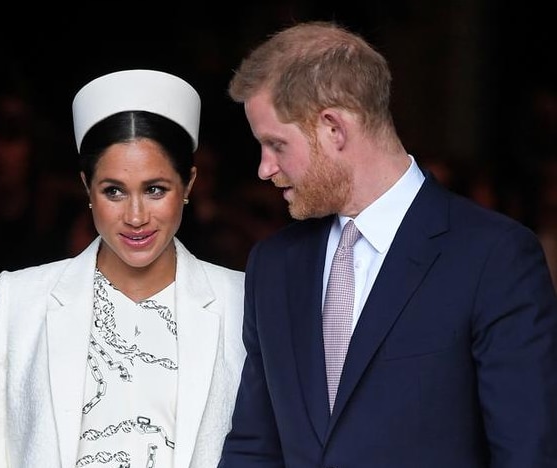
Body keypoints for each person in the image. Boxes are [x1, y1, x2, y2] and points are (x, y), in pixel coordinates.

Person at [218, 21, 557, 467]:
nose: (264, 168)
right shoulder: (273, 264)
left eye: (275, 144)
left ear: (333, 129)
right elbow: (254, 447)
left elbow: (526, 453)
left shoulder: (495, 257)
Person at [0, 69, 246, 468]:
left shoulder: (242, 301)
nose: (136, 216)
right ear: (86, 187)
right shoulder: (21, 301)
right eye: (114, 191)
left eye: (155, 189)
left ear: (189, 185)